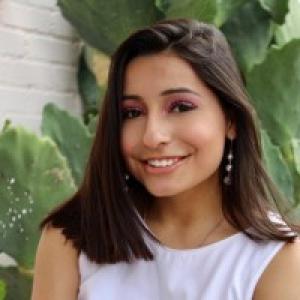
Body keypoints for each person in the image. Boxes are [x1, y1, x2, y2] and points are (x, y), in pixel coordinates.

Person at [31, 19, 300, 300]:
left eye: (181, 107)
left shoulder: (277, 260)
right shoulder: (73, 238)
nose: (152, 136)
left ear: (230, 119)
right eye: (132, 113)